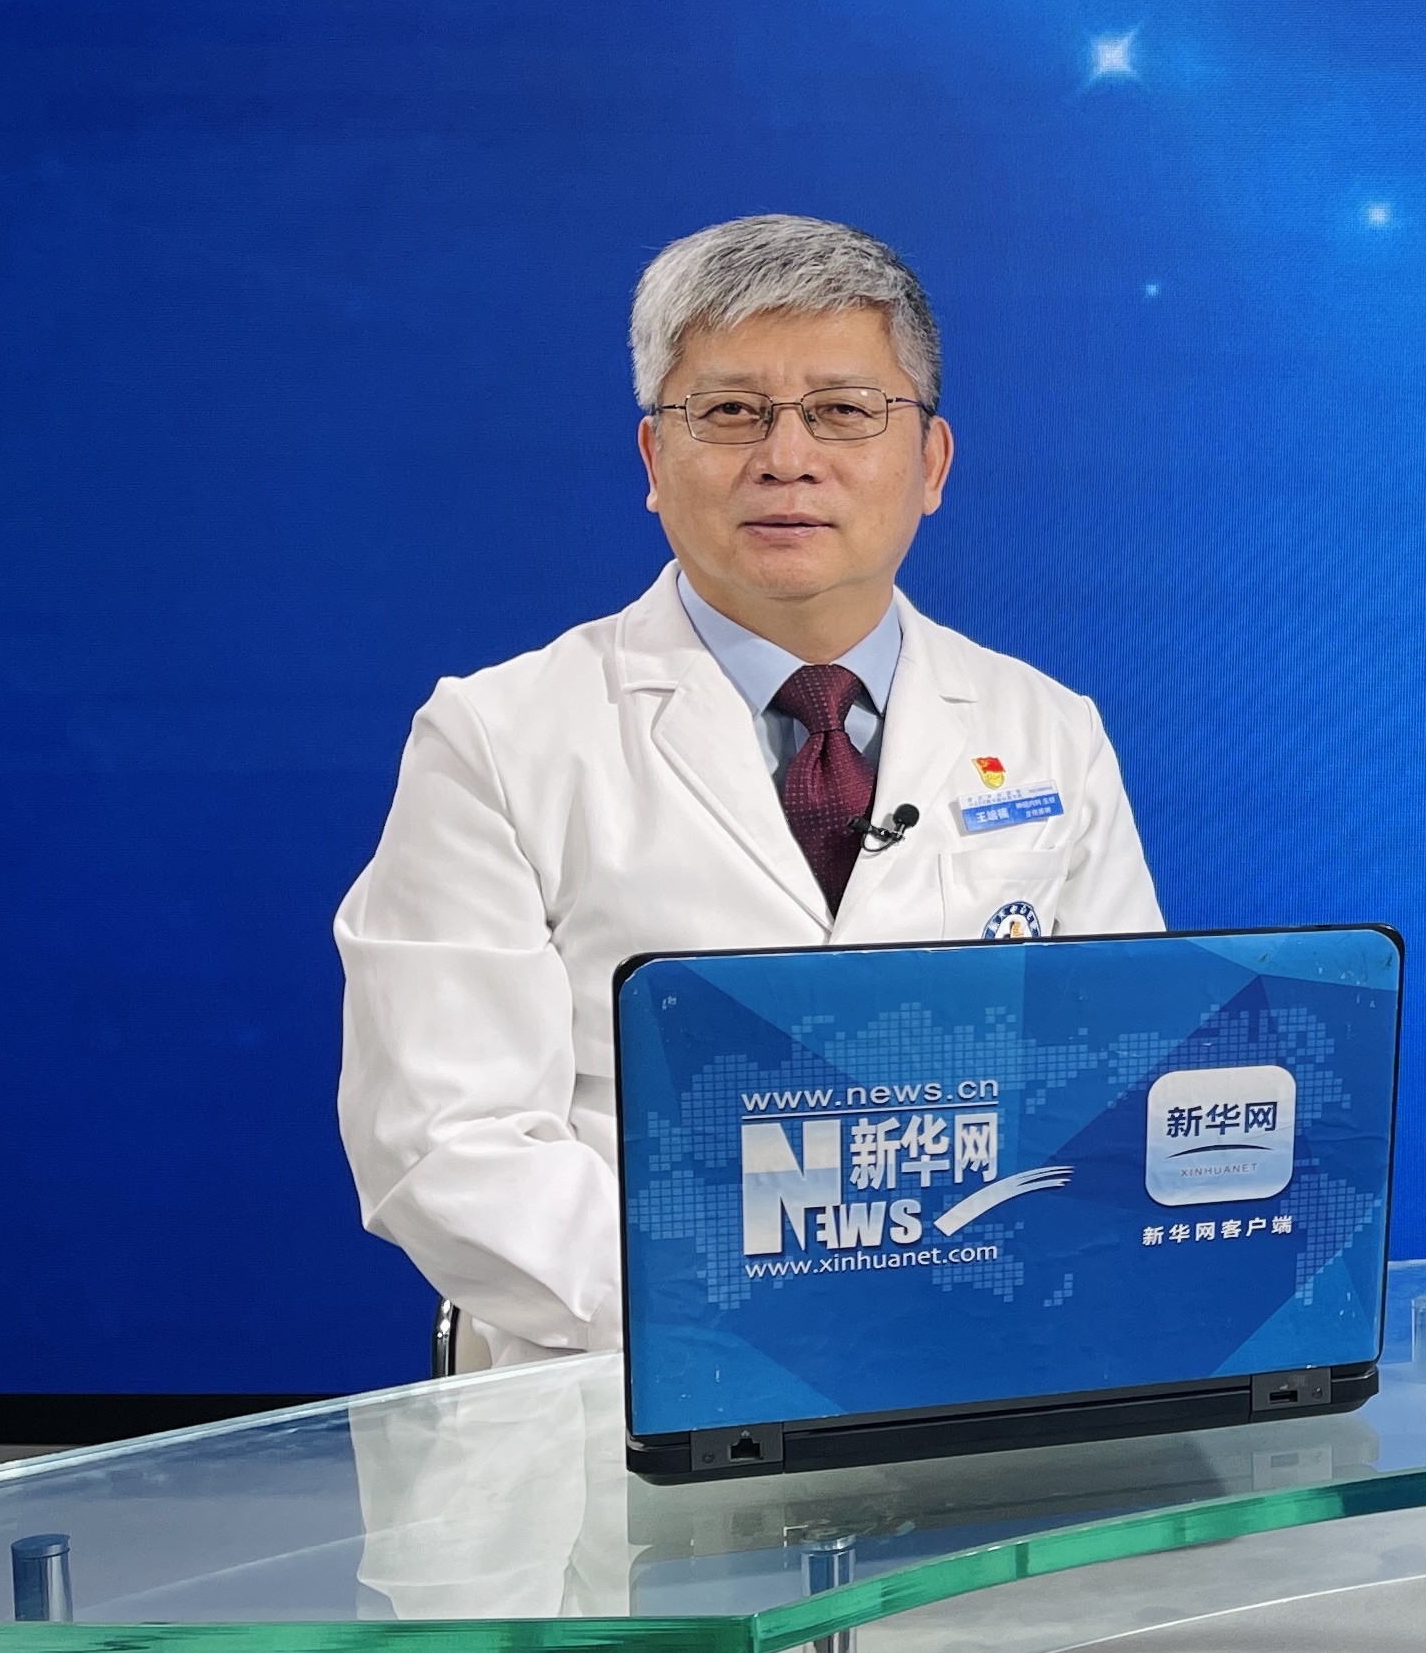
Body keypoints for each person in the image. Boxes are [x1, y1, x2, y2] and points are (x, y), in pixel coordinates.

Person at [336, 215, 1161, 1370]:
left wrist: (979, 1298)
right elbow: (446, 1143)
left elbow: (1121, 1084)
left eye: (843, 411)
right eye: (729, 412)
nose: (786, 457)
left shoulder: (1047, 732)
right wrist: (756, 1312)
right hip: (622, 1384)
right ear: (651, 460)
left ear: (931, 464)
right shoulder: (499, 738)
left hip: (981, 1361)